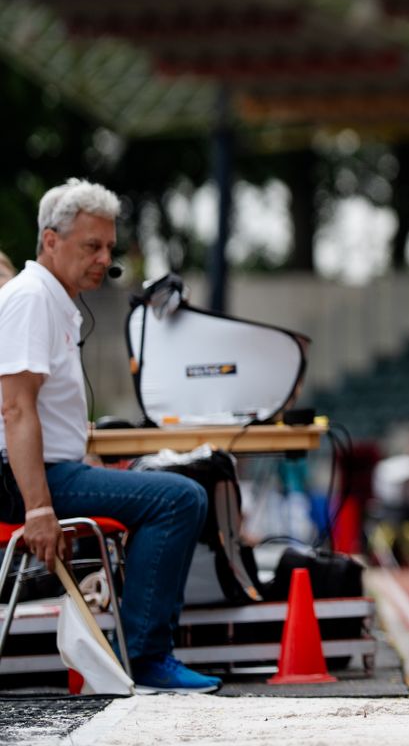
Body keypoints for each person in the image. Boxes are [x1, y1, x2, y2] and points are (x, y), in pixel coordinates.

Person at [0, 179, 219, 693]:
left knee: (168, 486)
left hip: (49, 472)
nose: (104, 259)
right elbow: (14, 407)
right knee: (179, 498)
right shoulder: (31, 299)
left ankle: (141, 650)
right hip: (28, 480)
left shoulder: (52, 300)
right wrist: (38, 508)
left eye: (108, 247)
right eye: (91, 246)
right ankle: (144, 657)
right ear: (50, 241)